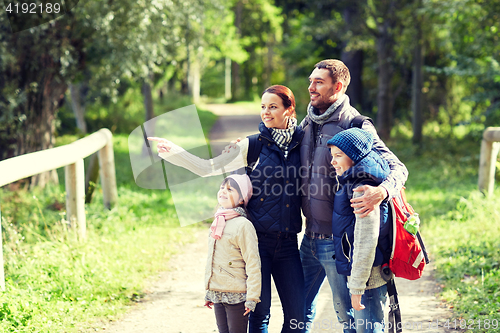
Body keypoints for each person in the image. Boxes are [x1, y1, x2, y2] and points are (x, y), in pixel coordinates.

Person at [148, 85, 306, 332]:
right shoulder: (250, 145)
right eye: (263, 107)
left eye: (273, 106)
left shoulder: (302, 144)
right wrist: (175, 152)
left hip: (288, 244)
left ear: (290, 110)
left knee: (298, 318)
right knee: (259, 315)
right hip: (257, 243)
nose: (266, 112)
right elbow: (209, 167)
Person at [299, 59, 408, 332]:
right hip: (307, 238)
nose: (310, 87)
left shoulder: (356, 124)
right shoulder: (308, 121)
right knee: (296, 310)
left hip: (338, 243)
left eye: (318, 82)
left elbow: (398, 167)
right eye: (311, 81)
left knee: (350, 318)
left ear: (338, 86)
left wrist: (381, 191)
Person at [327, 128, 392, 333]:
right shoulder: (353, 180)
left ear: (354, 157)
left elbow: (365, 241)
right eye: (332, 156)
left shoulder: (362, 189)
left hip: (368, 279)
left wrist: (356, 288)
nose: (333, 162)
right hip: (364, 275)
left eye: (339, 156)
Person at [204, 174, 261, 333]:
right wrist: (210, 290)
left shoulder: (243, 225)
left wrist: (252, 297)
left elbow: (253, 262)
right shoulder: (218, 221)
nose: (223, 191)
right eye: (222, 187)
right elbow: (213, 259)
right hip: (218, 293)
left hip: (237, 295)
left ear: (242, 199)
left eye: (230, 189)